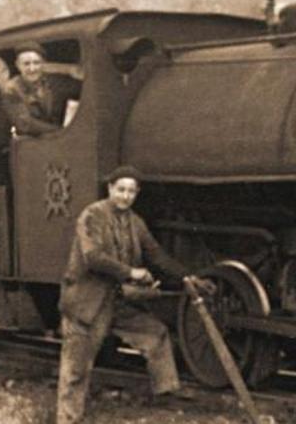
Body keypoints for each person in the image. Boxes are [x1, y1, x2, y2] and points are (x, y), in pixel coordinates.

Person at [56, 165, 211, 424]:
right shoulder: (92, 216)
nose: (125, 196)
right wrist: (131, 273)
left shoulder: (135, 223)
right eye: (121, 190)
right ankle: (68, 420)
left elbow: (156, 254)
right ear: (110, 189)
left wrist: (186, 277)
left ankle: (166, 398)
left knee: (155, 334)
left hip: (115, 302)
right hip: (86, 303)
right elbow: (93, 258)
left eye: (131, 192)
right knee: (76, 371)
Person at [1, 42, 82, 137]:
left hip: (57, 140)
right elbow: (25, 124)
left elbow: (79, 86)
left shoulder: (51, 81)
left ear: (43, 64)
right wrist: (63, 132)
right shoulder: (11, 88)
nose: (32, 69)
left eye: (36, 63)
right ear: (18, 65)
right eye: (26, 64)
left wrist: (66, 69)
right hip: (30, 144)